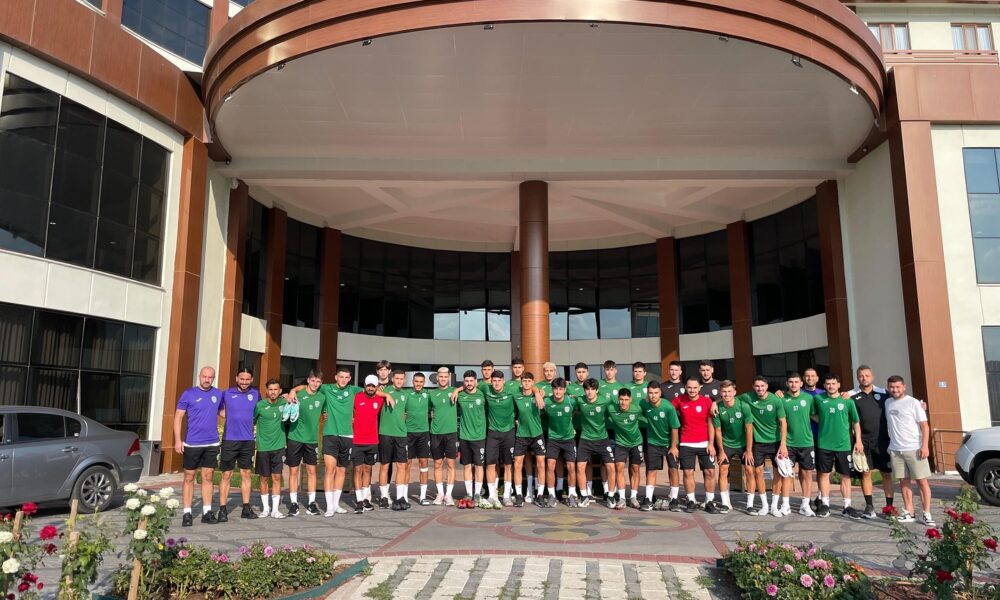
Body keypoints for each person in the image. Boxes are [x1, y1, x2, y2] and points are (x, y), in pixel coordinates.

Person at [175, 366, 223, 527]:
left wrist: (243, 414)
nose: (207, 380)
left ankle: (207, 512)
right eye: (204, 376)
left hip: (211, 442)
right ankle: (187, 513)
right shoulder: (188, 394)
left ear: (213, 378)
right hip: (192, 443)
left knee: (208, 477)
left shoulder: (218, 394)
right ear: (199, 376)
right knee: (189, 477)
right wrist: (177, 440)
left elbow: (223, 412)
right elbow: (178, 417)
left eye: (210, 377)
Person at [884, 375, 934, 525]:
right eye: (892, 387)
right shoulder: (887, 402)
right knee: (904, 481)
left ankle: (927, 513)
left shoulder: (913, 403)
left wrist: (924, 446)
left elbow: (924, 426)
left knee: (922, 481)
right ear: (888, 388)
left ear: (904, 387)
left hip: (914, 448)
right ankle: (909, 512)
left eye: (898, 387)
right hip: (896, 449)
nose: (895, 390)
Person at [814, 374, 863, 519]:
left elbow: (855, 422)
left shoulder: (847, 401)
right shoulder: (818, 399)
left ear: (839, 385)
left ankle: (847, 506)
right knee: (824, 474)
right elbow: (812, 414)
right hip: (824, 444)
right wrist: (824, 421)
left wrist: (858, 441)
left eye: (833, 383)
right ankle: (825, 505)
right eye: (828, 384)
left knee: (845, 475)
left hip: (843, 444)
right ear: (824, 385)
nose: (831, 386)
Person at [849, 365, 895, 519]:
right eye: (861, 376)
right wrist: (857, 441)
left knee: (886, 474)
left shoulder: (884, 394)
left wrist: (921, 405)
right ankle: (869, 507)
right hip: (863, 442)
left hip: (883, 441)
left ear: (872, 377)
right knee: (865, 473)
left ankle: (889, 508)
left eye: (867, 375)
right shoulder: (850, 396)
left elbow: (900, 401)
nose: (864, 378)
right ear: (857, 377)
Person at [218, 368, 260, 522]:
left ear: (252, 380)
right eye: (242, 379)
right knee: (226, 474)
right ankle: (222, 509)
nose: (244, 382)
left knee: (246, 474)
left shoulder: (256, 394)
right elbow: (218, 409)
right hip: (230, 439)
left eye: (247, 379)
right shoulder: (226, 393)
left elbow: (260, 411)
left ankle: (246, 508)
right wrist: (230, 416)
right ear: (236, 378)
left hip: (247, 440)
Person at [318, 367, 360, 517]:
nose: (343, 380)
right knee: (330, 470)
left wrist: (386, 394)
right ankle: (329, 507)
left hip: (347, 435)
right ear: (336, 377)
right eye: (341, 377)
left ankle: (336, 505)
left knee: (342, 470)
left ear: (350, 379)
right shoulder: (327, 388)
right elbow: (308, 386)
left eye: (346, 377)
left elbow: (372, 391)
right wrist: (291, 391)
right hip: (330, 434)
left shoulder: (353, 390)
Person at [745, 376, 788, 518]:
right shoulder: (748, 397)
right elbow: (730, 398)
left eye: (762, 386)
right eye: (757, 386)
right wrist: (716, 403)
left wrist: (783, 444)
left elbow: (783, 423)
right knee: (758, 472)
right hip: (758, 442)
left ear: (767, 386)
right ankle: (764, 505)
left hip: (775, 442)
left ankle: (774, 506)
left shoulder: (776, 400)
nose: (760, 389)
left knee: (778, 473)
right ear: (753, 387)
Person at [674, 377, 717, 513]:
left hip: (705, 443)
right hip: (686, 442)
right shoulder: (679, 400)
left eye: (695, 388)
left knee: (710, 472)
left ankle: (709, 502)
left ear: (699, 388)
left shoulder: (707, 401)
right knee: (688, 472)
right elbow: (665, 407)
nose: (692, 390)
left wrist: (711, 443)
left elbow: (711, 423)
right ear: (685, 388)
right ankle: (691, 501)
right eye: (689, 387)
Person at [287, 369, 326, 516]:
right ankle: (293, 503)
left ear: (321, 383)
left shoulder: (322, 397)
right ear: (308, 380)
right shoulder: (298, 394)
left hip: (312, 440)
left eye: (318, 381)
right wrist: (292, 391)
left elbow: (326, 414)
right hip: (295, 437)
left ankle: (311, 503)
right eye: (313, 380)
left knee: (311, 471)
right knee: (293, 471)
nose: (315, 384)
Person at [779, 373, 817, 517]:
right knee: (786, 474)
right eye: (791, 382)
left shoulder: (808, 398)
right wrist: (782, 444)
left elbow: (814, 416)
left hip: (806, 442)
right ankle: (785, 505)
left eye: (796, 382)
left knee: (807, 473)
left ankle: (805, 505)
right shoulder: (781, 399)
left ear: (801, 384)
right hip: (788, 443)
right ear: (787, 383)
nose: (793, 384)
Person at [575, 378, 615, 508]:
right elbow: (568, 405)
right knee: (580, 467)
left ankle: (611, 496)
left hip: (602, 439)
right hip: (585, 439)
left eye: (592, 389)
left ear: (597, 390)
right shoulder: (579, 400)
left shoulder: (605, 400)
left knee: (611, 467)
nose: (589, 392)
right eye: (587, 389)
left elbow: (617, 408)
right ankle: (584, 496)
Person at [713, 380, 752, 514]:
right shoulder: (718, 408)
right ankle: (725, 503)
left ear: (734, 392)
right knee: (723, 470)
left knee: (749, 470)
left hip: (743, 444)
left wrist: (749, 450)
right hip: (727, 444)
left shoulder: (743, 406)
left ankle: (750, 504)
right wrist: (721, 451)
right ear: (720, 393)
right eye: (724, 392)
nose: (727, 394)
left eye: (729, 391)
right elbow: (718, 431)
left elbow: (749, 429)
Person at [640, 381, 679, 511]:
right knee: (651, 470)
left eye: (656, 393)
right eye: (650, 393)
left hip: (669, 443)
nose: (653, 395)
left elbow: (674, 428)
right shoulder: (644, 403)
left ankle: (674, 499)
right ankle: (648, 499)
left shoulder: (668, 407)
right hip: (653, 442)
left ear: (660, 393)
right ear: (647, 393)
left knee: (673, 469)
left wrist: (673, 446)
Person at [254, 378, 289, 519]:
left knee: (276, 477)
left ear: (280, 391)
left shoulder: (284, 403)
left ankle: (275, 510)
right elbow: (252, 421)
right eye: (270, 389)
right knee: (263, 478)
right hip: (263, 447)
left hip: (279, 446)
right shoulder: (260, 405)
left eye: (275, 389)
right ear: (266, 391)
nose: (273, 392)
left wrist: (290, 394)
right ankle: (265, 509)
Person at [513, 371, 546, 507]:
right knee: (517, 464)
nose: (526, 383)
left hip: (537, 434)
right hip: (521, 435)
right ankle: (519, 495)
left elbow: (541, 391)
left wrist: (537, 393)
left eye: (529, 381)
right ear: (521, 383)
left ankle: (540, 495)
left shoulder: (538, 395)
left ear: (533, 382)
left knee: (541, 464)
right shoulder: (516, 396)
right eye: (524, 381)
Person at [543, 378, 578, 507]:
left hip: (568, 438)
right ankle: (552, 495)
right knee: (550, 466)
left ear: (565, 390)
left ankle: (571, 495)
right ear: (552, 389)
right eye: (555, 389)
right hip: (553, 438)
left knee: (571, 466)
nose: (558, 392)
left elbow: (576, 411)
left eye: (561, 389)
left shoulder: (571, 401)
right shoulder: (546, 401)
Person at [378, 369, 410, 510]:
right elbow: (374, 392)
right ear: (392, 379)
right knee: (385, 465)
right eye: (397, 378)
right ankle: (384, 497)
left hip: (401, 434)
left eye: (401, 379)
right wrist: (386, 394)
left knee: (402, 466)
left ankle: (400, 497)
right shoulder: (385, 390)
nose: (399, 381)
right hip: (385, 433)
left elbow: (406, 412)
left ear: (404, 380)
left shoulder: (406, 394)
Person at [607, 387, 644, 509]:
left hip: (636, 442)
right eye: (621, 399)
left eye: (626, 400)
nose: (623, 402)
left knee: (635, 469)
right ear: (618, 399)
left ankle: (633, 497)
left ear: (630, 400)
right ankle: (622, 498)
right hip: (620, 443)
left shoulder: (637, 409)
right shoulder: (611, 409)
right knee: (619, 468)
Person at [484, 371, 516, 508]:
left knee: (508, 465)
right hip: (492, 433)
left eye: (499, 380)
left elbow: (530, 387)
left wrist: (538, 393)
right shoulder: (485, 388)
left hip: (509, 432)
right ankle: (492, 496)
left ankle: (507, 496)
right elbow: (469, 386)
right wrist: (457, 390)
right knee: (490, 464)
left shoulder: (511, 390)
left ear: (503, 381)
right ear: (491, 381)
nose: (496, 383)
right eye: (494, 381)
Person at [352, 375, 383, 514]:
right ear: (364, 386)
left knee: (367, 470)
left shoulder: (380, 399)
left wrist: (387, 395)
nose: (370, 388)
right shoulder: (356, 397)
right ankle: (359, 500)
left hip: (372, 441)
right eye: (368, 385)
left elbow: (384, 395)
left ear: (376, 387)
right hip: (357, 441)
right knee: (358, 470)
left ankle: (365, 499)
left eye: (373, 386)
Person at [428, 367, 458, 506]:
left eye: (445, 377)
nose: (443, 379)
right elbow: (428, 411)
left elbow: (468, 387)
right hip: (436, 433)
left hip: (451, 432)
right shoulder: (432, 394)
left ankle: (449, 495)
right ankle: (440, 494)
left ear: (449, 378)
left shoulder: (454, 390)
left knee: (451, 464)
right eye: (441, 377)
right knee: (438, 463)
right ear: (437, 378)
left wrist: (457, 390)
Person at [457, 370, 488, 503]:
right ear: (464, 382)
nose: (469, 383)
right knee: (467, 466)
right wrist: (456, 390)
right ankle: (469, 493)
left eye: (471, 380)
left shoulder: (483, 394)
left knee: (479, 466)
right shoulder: (460, 396)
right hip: (464, 436)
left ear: (476, 381)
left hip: (479, 437)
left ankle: (477, 493)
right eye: (467, 381)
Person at [406, 373, 433, 505]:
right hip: (408, 433)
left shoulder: (428, 395)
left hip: (423, 433)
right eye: (416, 381)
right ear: (412, 381)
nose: (418, 384)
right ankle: (403, 496)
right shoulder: (406, 394)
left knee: (424, 463)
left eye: (421, 382)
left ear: (424, 382)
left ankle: (423, 496)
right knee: (406, 464)